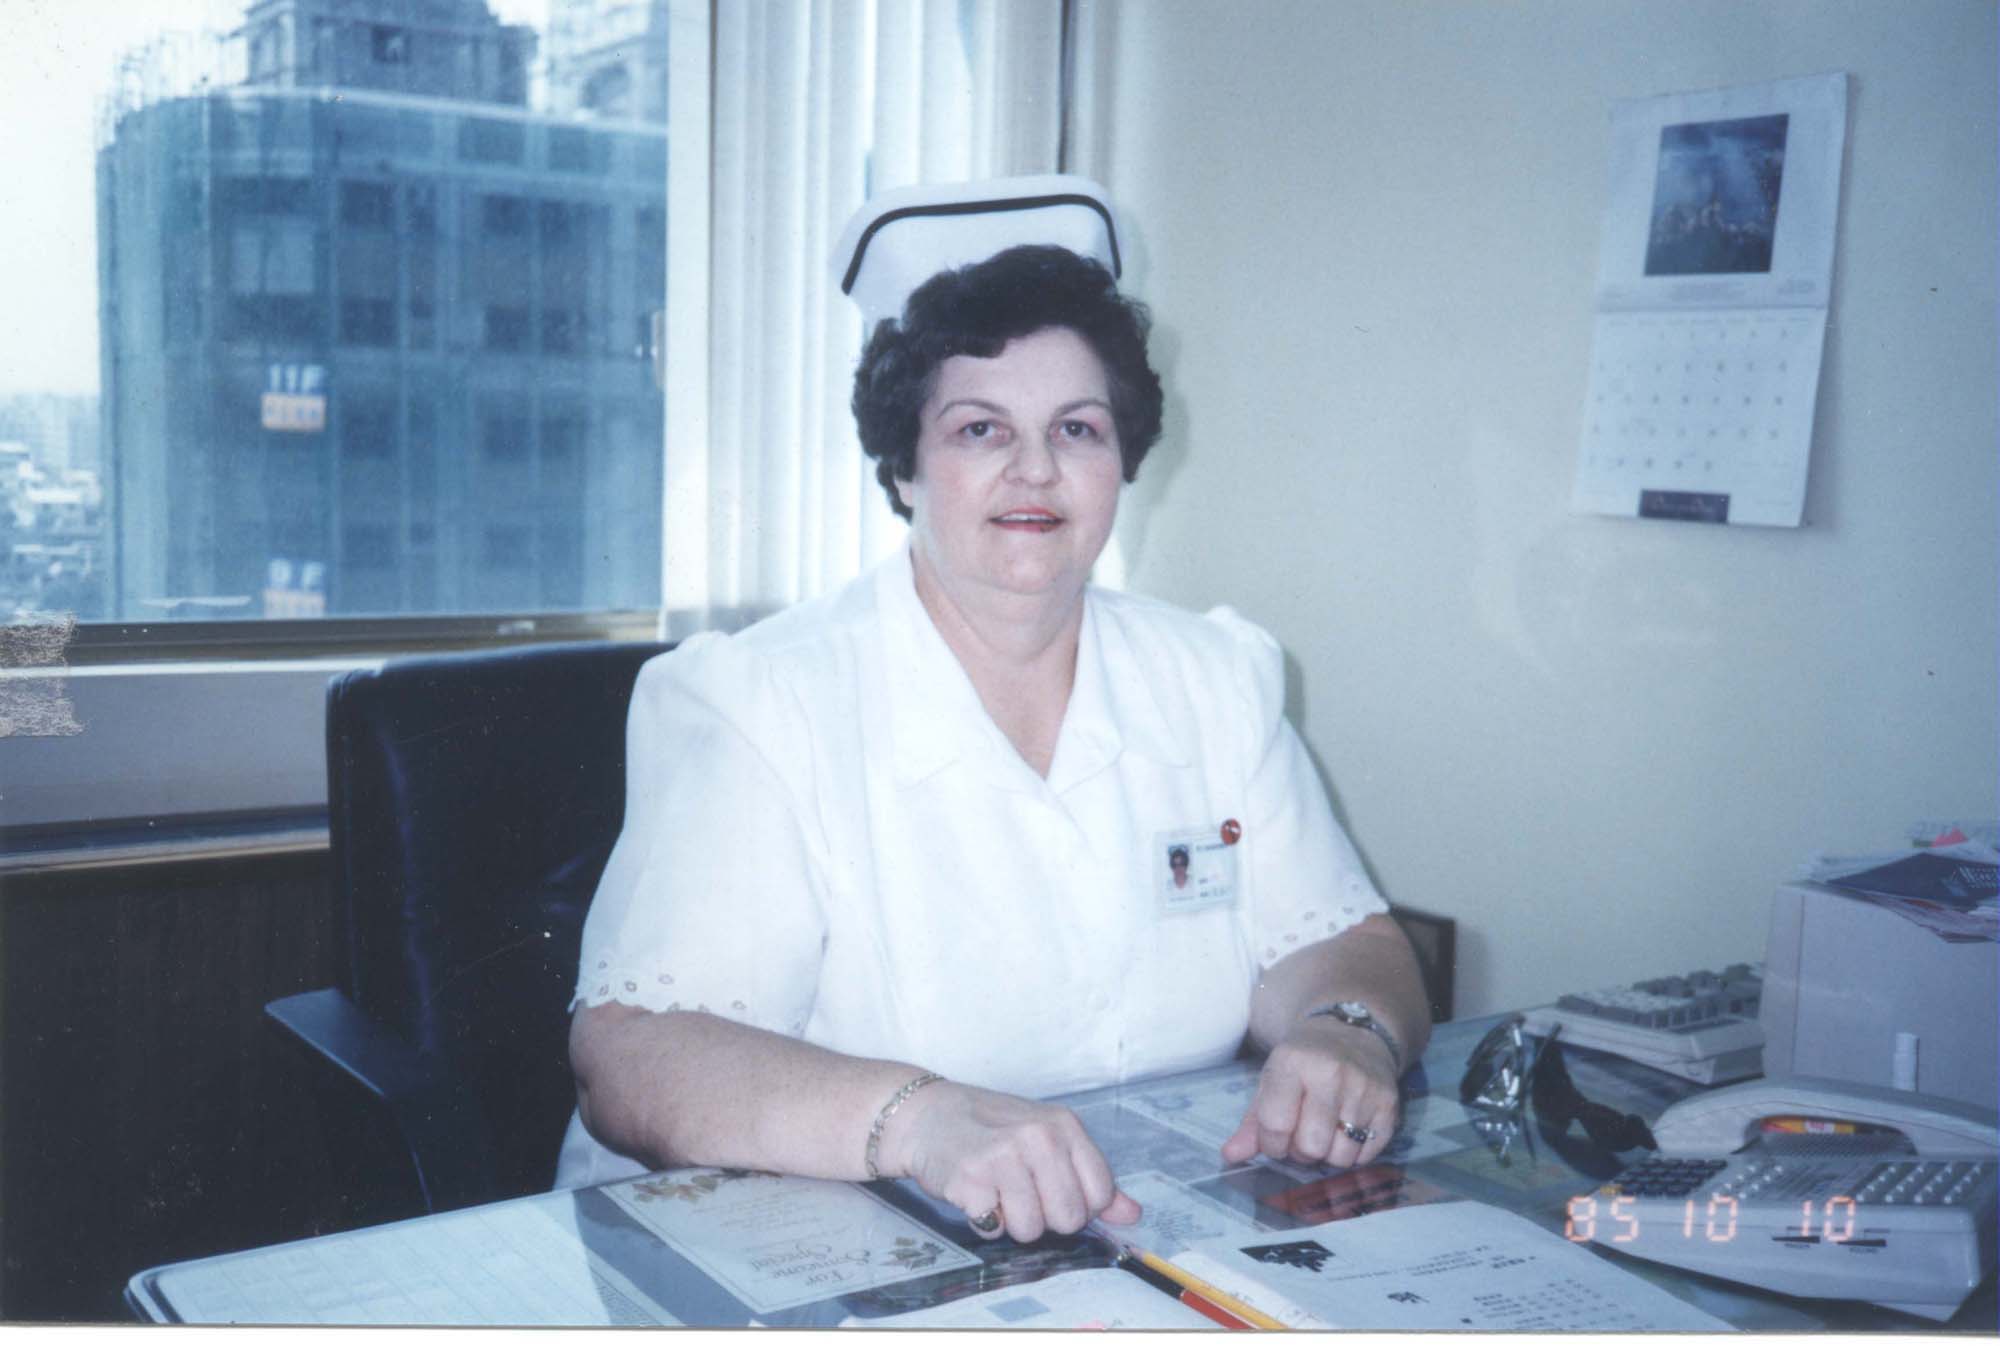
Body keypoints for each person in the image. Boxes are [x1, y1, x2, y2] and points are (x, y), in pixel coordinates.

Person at [560, 176, 1431, 1245]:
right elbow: (632, 1054)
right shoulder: (759, 698)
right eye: (980, 429)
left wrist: (1345, 1028)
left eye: (1077, 428)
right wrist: (915, 1121)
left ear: (1123, 460)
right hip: (775, 1244)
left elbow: (1340, 938)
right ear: (903, 466)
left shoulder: (1213, 676)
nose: (1035, 468)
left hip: (1110, 1238)